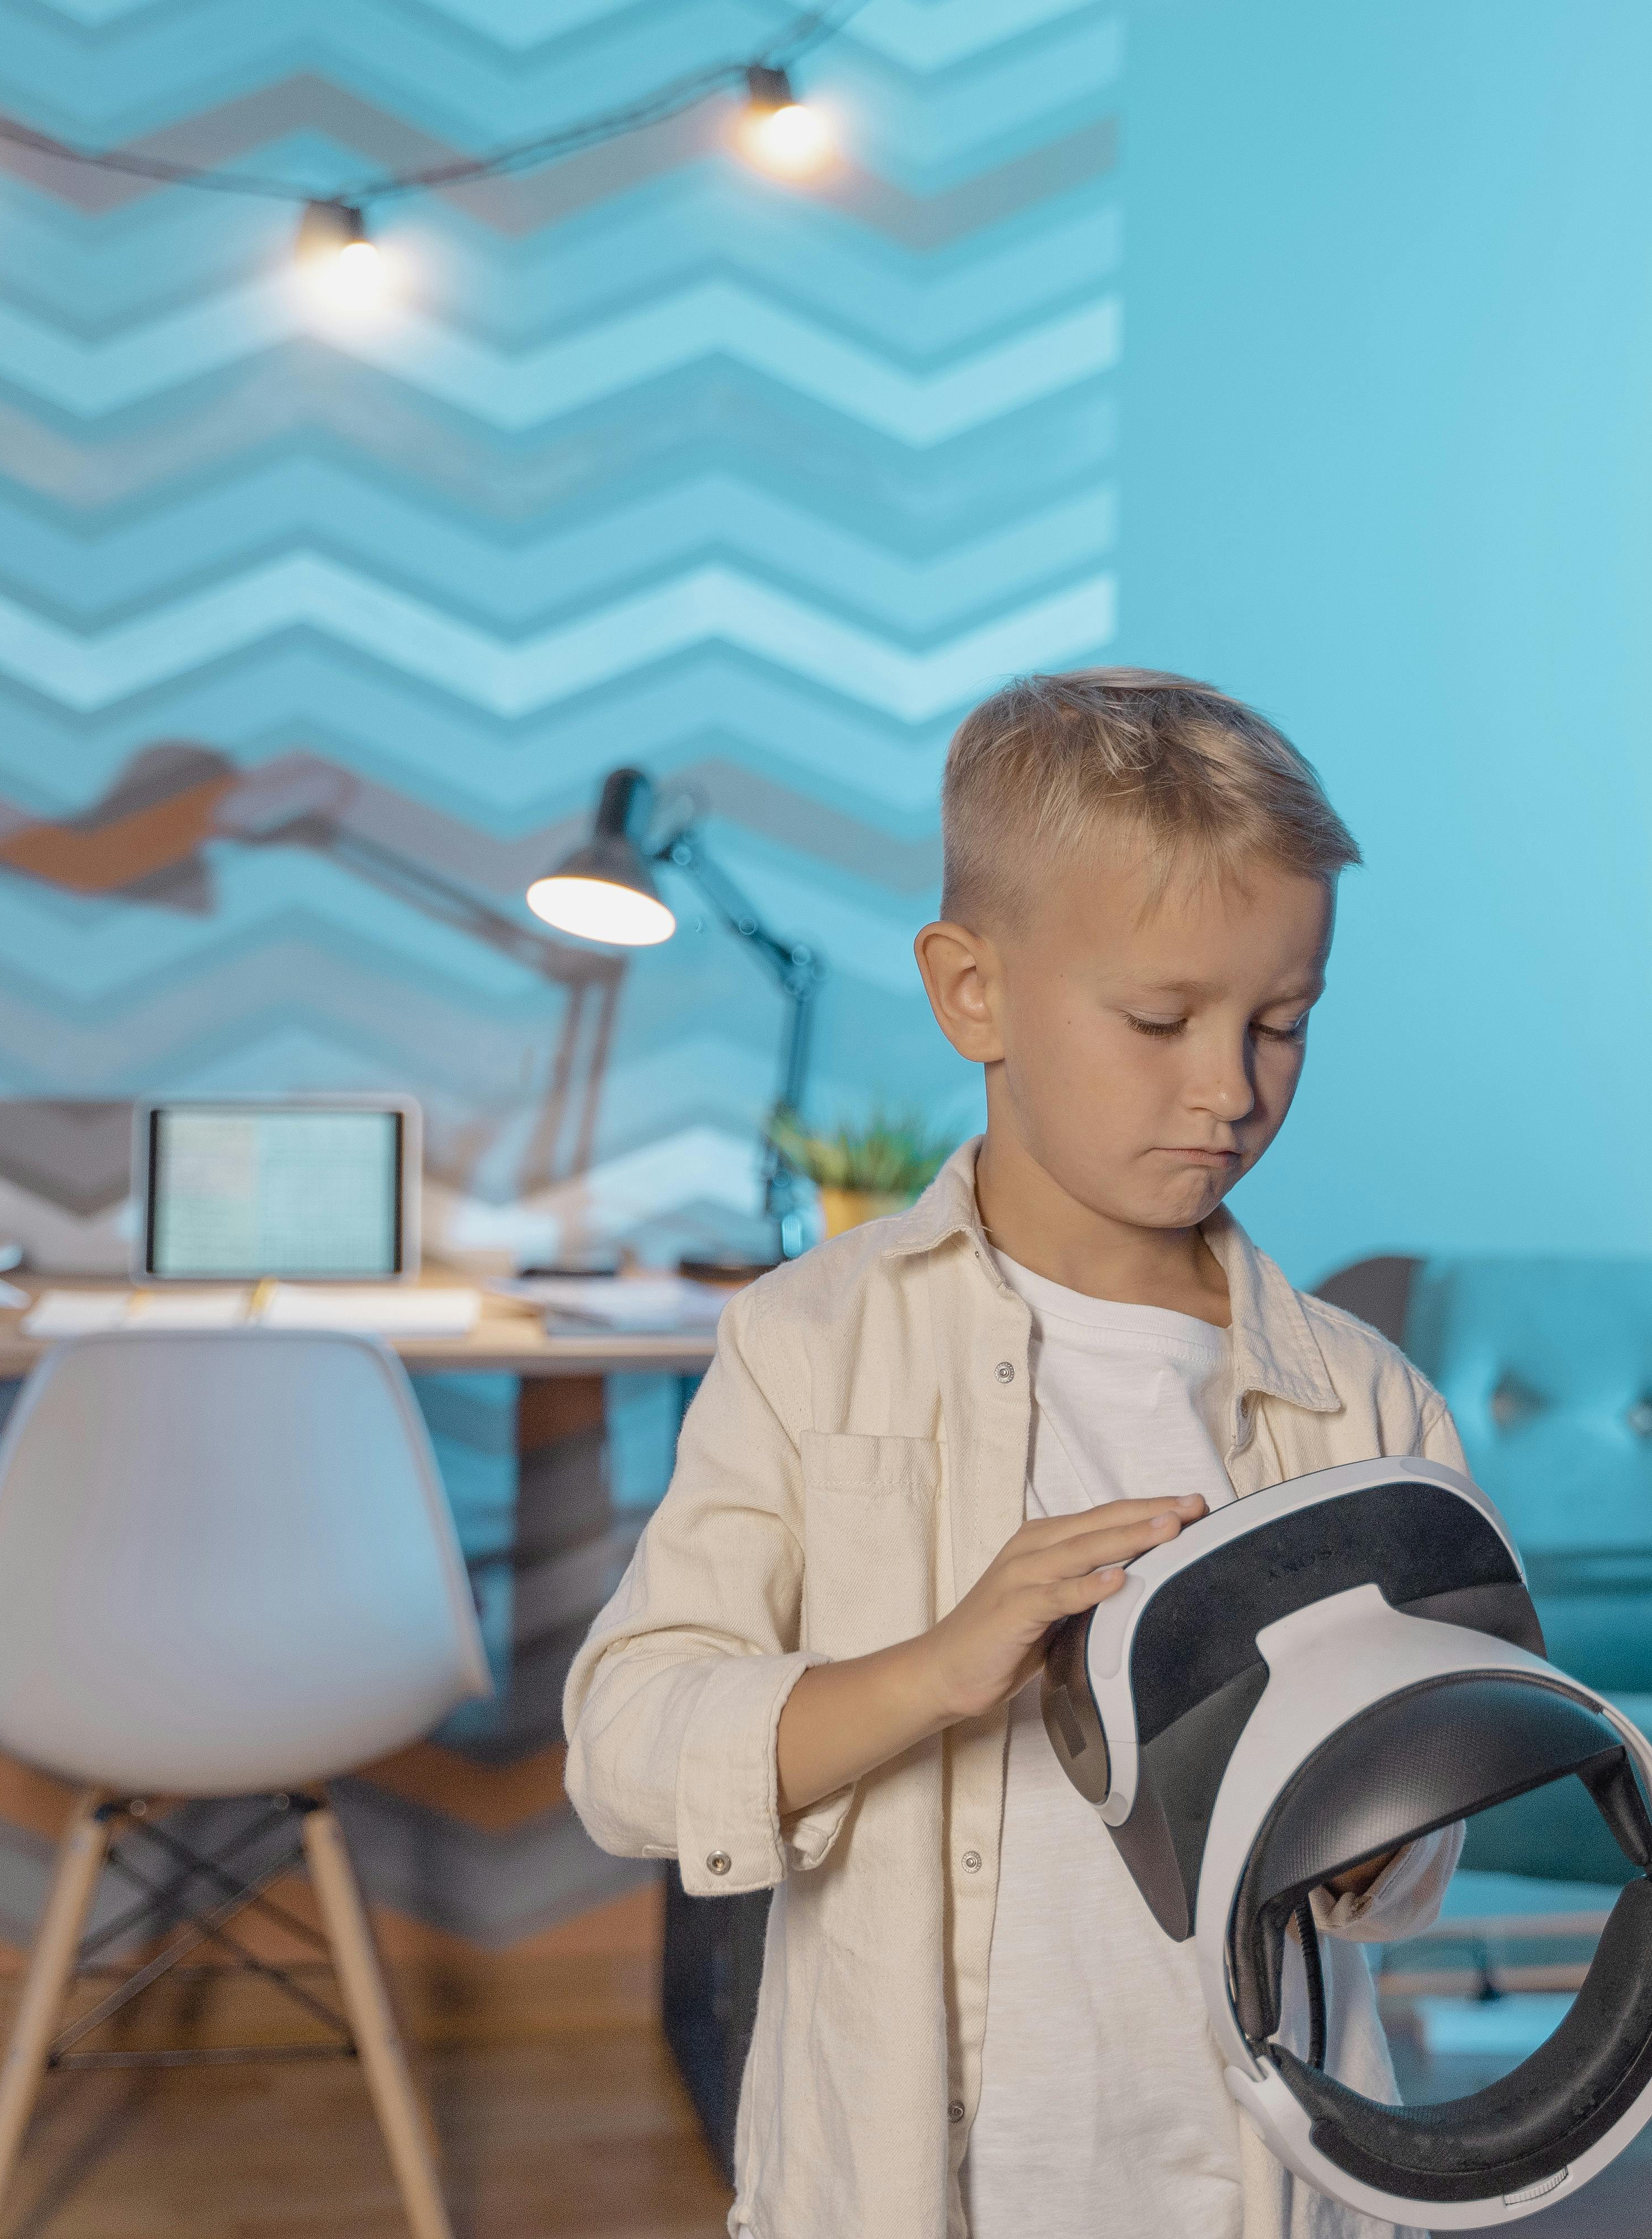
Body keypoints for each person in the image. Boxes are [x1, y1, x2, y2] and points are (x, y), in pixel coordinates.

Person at [565, 668, 1470, 2238]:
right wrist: (931, 1668)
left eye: (1282, 1024)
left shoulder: (1364, 1409)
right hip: (908, 2188)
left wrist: (1401, 1789)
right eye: (1160, 1019)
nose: (1229, 1088)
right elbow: (627, 1746)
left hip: (1263, 2192)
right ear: (971, 991)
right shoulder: (810, 1348)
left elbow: (1391, 1890)